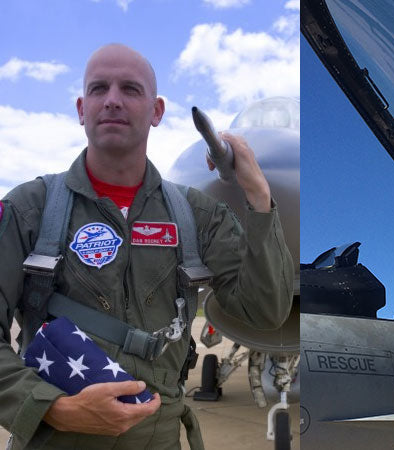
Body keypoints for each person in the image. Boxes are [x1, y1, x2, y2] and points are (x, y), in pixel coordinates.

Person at [0, 43, 294, 449]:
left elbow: (265, 312)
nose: (113, 100)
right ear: (81, 109)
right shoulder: (29, 209)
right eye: (99, 89)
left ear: (156, 111)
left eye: (131, 89)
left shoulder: (198, 215)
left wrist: (259, 197)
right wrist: (50, 407)